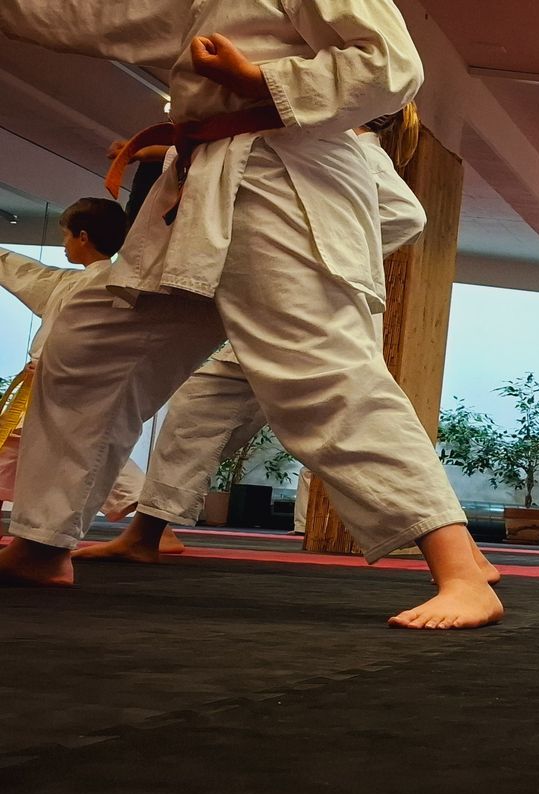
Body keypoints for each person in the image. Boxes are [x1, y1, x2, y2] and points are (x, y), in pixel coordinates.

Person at [0, 1, 501, 630]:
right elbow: (102, 15)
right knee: (89, 345)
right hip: (197, 190)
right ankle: (42, 544)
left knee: (320, 379)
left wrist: (260, 81)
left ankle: (460, 570)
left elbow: (392, 64)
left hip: (281, 181)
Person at [0, 198, 147, 526]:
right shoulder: (80, 281)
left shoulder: (108, 282)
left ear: (83, 237)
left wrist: (53, 364)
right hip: (50, 378)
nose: (63, 244)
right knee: (76, 448)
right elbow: (28, 274)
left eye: (66, 236)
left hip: (63, 380)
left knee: (80, 448)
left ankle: (145, 511)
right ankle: (146, 513)